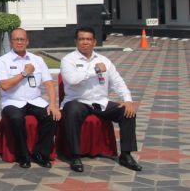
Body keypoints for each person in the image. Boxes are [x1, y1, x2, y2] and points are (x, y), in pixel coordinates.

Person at [60, 26, 142, 172]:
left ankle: (126, 154)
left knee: (127, 112)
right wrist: (95, 70)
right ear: (76, 41)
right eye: (81, 39)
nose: (85, 42)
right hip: (78, 101)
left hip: (100, 102)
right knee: (71, 111)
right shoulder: (68, 60)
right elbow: (72, 80)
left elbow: (117, 82)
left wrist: (128, 100)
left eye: (88, 39)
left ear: (94, 42)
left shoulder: (105, 61)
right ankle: (74, 155)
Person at [0, 28, 60, 169]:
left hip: (35, 100)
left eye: (22, 39)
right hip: (12, 101)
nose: (19, 42)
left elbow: (48, 83)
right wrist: (24, 73)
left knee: (52, 116)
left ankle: (41, 153)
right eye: (16, 39)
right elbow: (5, 86)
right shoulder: (2, 61)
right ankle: (23, 155)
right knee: (16, 119)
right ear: (11, 42)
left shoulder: (38, 60)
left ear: (27, 41)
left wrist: (53, 104)